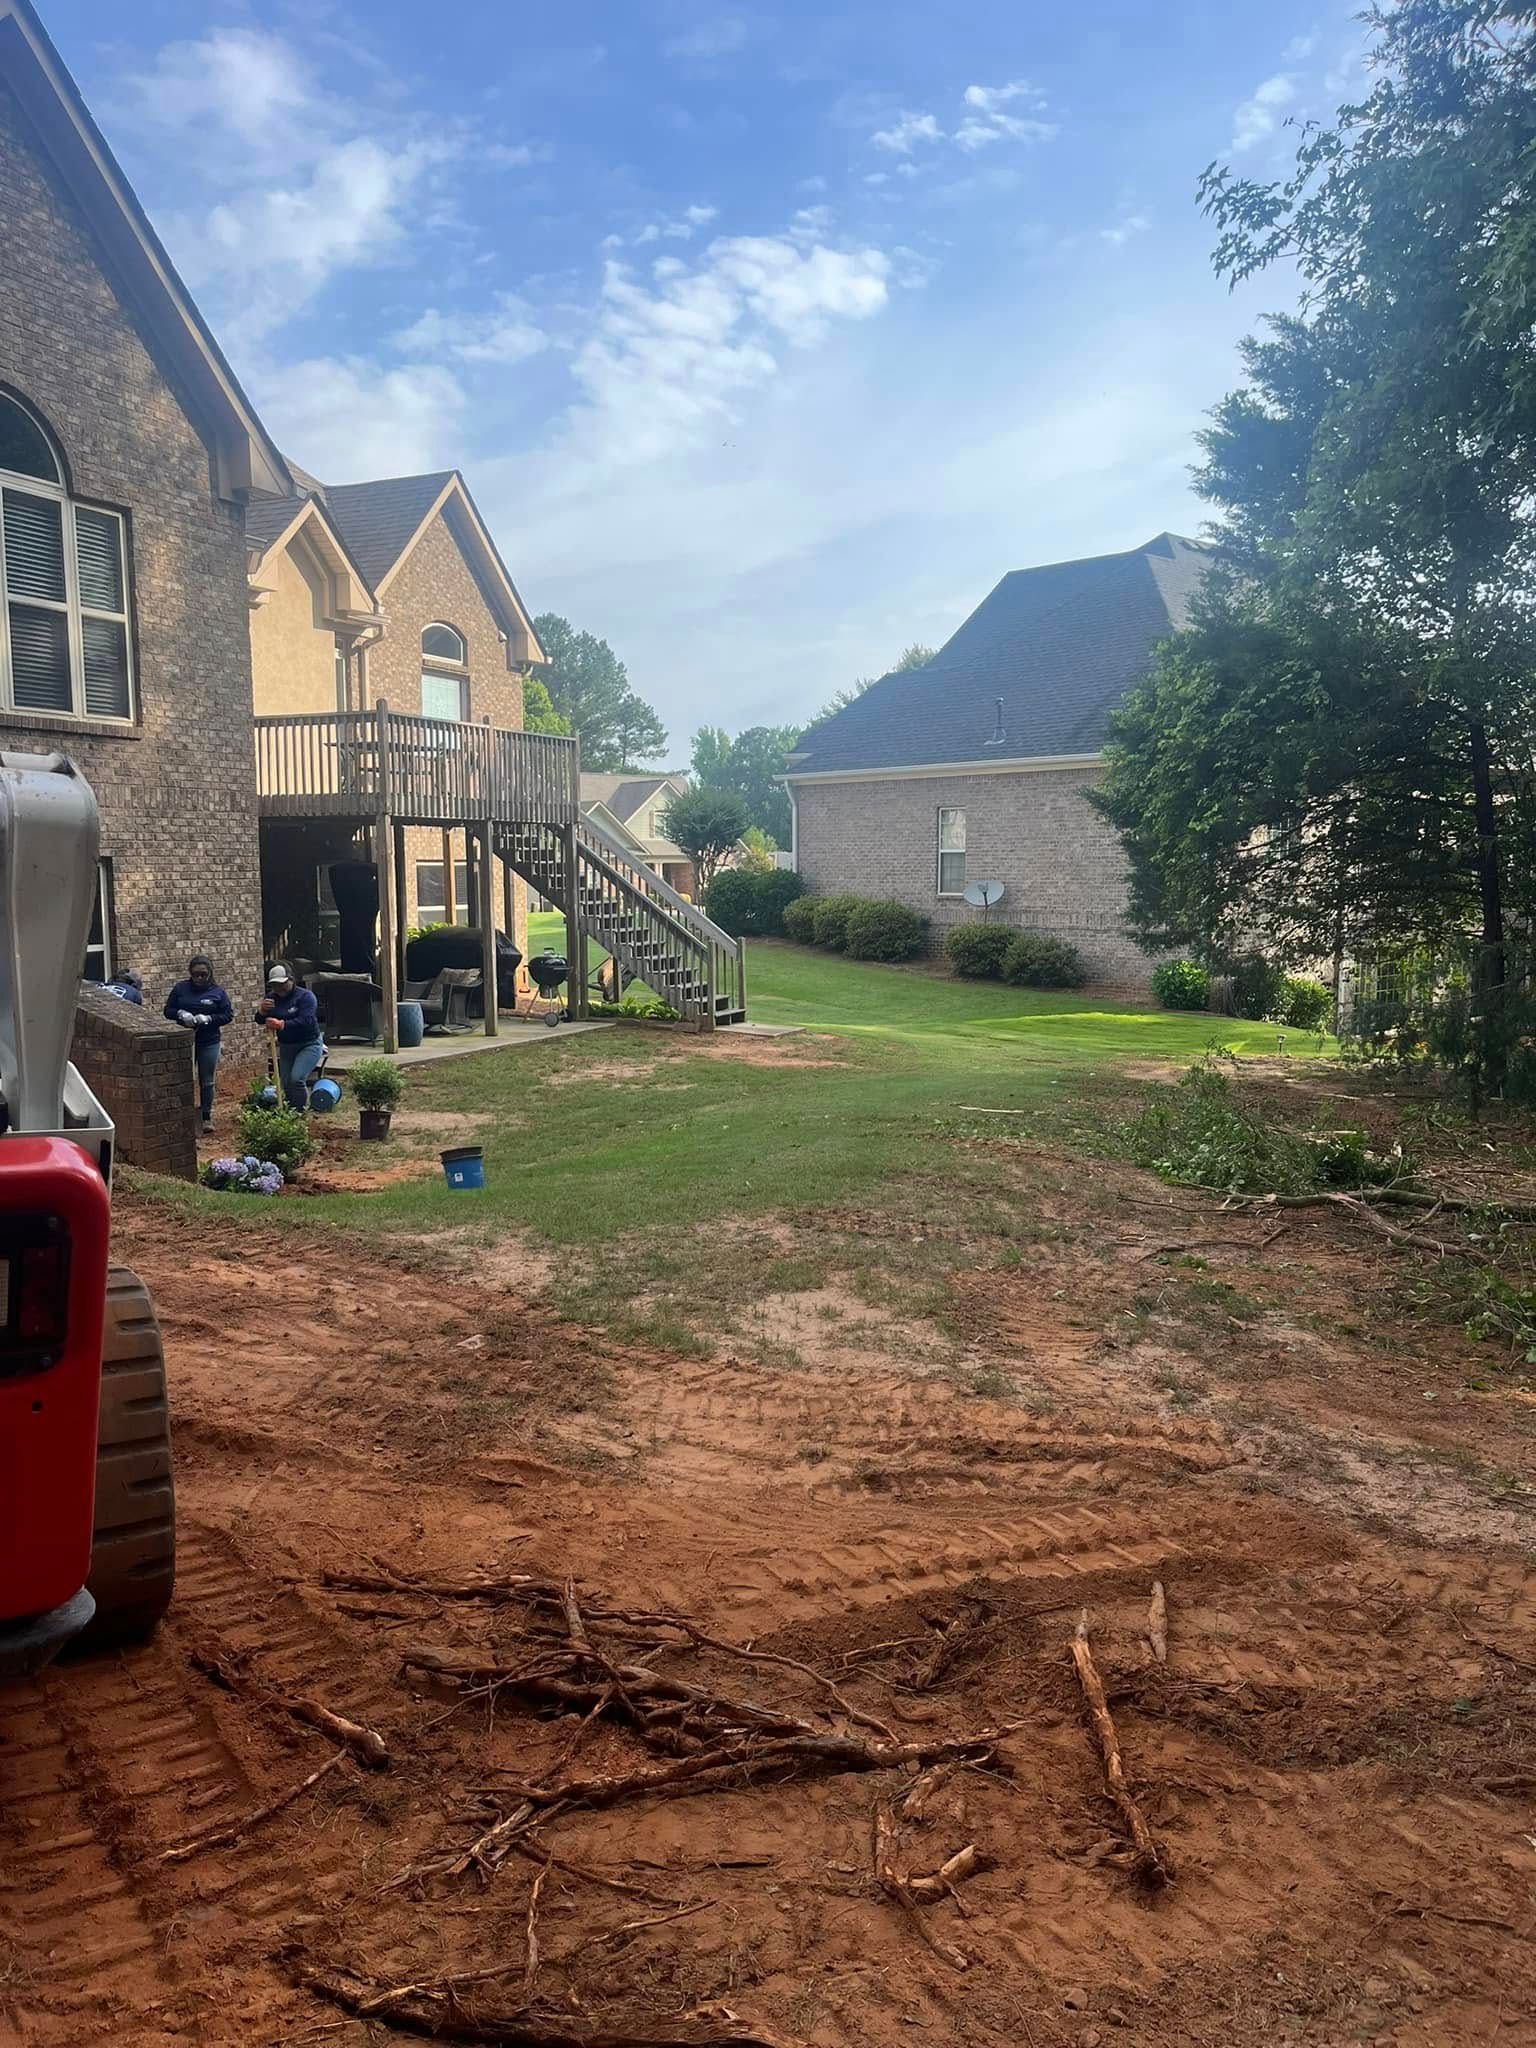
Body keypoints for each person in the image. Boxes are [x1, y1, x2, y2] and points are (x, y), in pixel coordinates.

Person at [165, 953, 234, 1130]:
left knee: (207, 1079)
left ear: (210, 974)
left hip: (208, 1040)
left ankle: (205, 1116)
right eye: (196, 974)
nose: (199, 978)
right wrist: (181, 1014)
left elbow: (227, 1015)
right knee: (184, 1077)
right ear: (190, 973)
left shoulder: (218, 992)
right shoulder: (181, 989)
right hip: (185, 1040)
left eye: (203, 974)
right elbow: (168, 1010)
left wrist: (209, 1019)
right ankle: (183, 1116)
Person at [257, 964, 324, 1112]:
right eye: (275, 985)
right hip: (287, 1046)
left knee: (296, 1078)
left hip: (309, 1044)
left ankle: (299, 1113)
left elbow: (306, 1020)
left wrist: (282, 1024)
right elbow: (260, 1020)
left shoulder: (306, 997)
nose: (279, 988)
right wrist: (262, 1011)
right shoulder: (271, 999)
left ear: (291, 980)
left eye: (282, 984)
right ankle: (289, 1112)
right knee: (285, 1082)